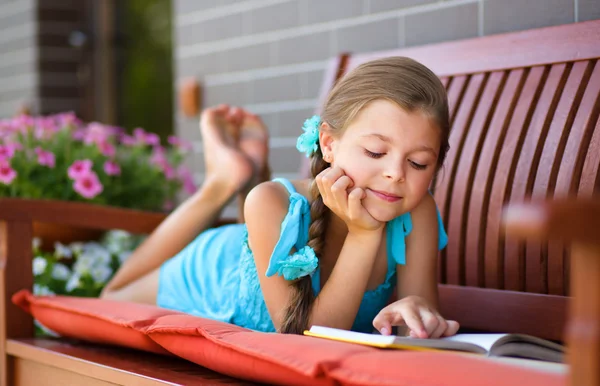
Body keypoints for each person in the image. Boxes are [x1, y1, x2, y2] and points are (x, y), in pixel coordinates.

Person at [101, 56, 460, 338]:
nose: (396, 173)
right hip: (212, 270)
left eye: (418, 162)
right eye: (376, 152)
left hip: (265, 239)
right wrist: (364, 235)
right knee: (110, 298)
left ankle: (237, 175)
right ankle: (221, 184)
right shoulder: (270, 202)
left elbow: (417, 323)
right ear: (329, 144)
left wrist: (417, 313)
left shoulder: (417, 212)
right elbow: (307, 339)